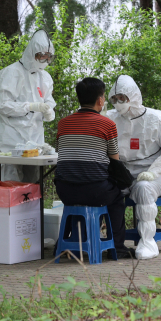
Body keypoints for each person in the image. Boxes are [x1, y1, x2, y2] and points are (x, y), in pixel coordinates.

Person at [54, 78, 133, 258]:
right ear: (100, 100)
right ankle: (118, 248)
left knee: (81, 196)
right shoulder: (107, 124)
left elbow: (63, 152)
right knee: (117, 199)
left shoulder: (63, 123)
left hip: (65, 191)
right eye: (104, 97)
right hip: (95, 191)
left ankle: (68, 243)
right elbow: (114, 160)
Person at [106, 75, 161, 260]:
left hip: (156, 173)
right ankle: (112, 243)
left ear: (133, 96)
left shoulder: (157, 118)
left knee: (144, 189)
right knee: (103, 189)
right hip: (124, 173)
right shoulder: (110, 118)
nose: (118, 103)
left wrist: (153, 171)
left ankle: (147, 242)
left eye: (122, 98)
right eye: (114, 99)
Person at [0, 30, 56, 182]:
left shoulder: (44, 77)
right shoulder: (12, 73)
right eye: (42, 56)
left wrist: (48, 111)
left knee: (33, 184)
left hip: (35, 139)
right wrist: (31, 106)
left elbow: (48, 100)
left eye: (48, 57)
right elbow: (3, 105)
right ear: (32, 53)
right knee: (9, 183)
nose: (45, 60)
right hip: (10, 138)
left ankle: (30, 207)